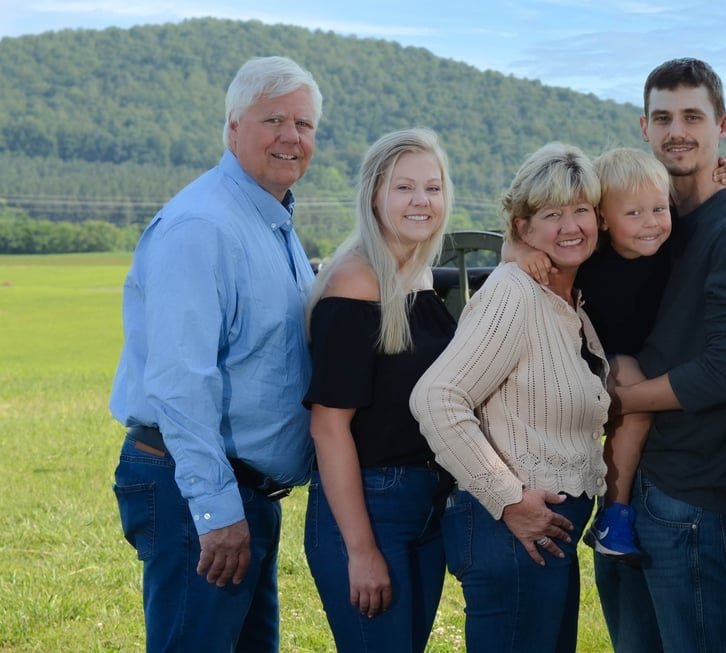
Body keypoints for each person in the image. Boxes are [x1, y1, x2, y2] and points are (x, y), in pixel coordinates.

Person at [109, 56, 322, 652]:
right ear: (232, 128)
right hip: (197, 490)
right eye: (272, 119)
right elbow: (181, 380)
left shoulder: (269, 217)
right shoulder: (203, 227)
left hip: (242, 493)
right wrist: (214, 508)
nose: (291, 136)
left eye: (303, 125)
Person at [594, 57, 726, 653]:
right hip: (625, 487)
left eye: (693, 116)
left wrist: (612, 400)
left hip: (688, 493)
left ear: (722, 124)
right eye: (664, 117)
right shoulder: (656, 221)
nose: (678, 130)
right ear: (643, 127)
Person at [410, 142, 610, 653]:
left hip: (542, 538)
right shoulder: (513, 293)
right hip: (511, 533)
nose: (571, 227)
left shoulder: (566, 299)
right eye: (552, 214)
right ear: (522, 228)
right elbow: (436, 398)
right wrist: (509, 498)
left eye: (581, 210)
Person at [503, 149, 726, 564]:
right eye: (634, 214)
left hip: (640, 354)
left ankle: (627, 511)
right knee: (633, 380)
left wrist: (721, 181)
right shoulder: (590, 254)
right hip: (585, 358)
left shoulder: (669, 236)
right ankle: (617, 510)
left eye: (658, 209)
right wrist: (520, 253)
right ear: (604, 220)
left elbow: (701, 206)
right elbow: (517, 243)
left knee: (637, 379)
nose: (650, 222)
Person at [303, 128, 455, 652]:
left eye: (432, 188)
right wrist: (361, 550)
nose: (421, 201)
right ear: (374, 195)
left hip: (423, 501)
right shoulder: (356, 284)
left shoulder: (417, 274)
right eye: (404, 188)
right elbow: (328, 426)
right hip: (370, 504)